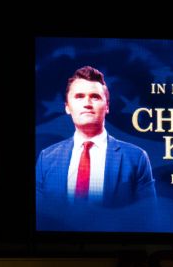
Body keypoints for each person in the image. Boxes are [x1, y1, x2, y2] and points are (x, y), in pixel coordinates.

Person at [36, 66, 156, 230]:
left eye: (95, 97)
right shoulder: (47, 158)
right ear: (67, 107)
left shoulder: (136, 158)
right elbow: (40, 219)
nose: (87, 103)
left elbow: (149, 219)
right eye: (79, 96)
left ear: (107, 106)